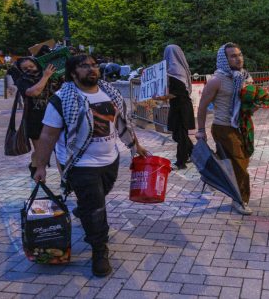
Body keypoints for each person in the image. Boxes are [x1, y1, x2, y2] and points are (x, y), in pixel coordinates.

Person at [32, 54, 149, 276]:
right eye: (84, 66)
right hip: (80, 163)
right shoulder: (62, 99)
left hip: (109, 160)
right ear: (73, 72)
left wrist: (135, 147)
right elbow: (47, 136)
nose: (91, 69)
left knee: (95, 201)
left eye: (94, 65)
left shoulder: (110, 92)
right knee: (96, 209)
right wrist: (40, 167)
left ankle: (85, 211)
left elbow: (121, 123)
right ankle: (99, 250)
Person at [195, 43, 254, 215]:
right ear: (225, 59)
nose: (238, 58)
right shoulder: (216, 80)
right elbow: (202, 106)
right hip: (223, 128)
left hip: (242, 127)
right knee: (239, 165)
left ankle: (213, 174)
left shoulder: (245, 77)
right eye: (233, 56)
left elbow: (248, 104)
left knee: (240, 160)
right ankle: (240, 200)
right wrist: (200, 130)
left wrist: (254, 105)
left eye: (240, 54)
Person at [15, 57, 58, 171]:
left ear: (37, 65)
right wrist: (45, 76)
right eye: (25, 68)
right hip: (35, 120)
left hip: (55, 117)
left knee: (58, 150)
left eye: (31, 66)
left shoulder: (53, 76)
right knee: (41, 152)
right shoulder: (22, 80)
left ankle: (64, 180)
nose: (29, 69)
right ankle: (36, 170)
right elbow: (34, 92)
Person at [163, 44, 195, 170]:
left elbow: (179, 92)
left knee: (180, 135)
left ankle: (181, 162)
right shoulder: (177, 69)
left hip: (181, 107)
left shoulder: (175, 71)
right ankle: (194, 153)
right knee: (178, 134)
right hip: (179, 106)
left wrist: (162, 98)